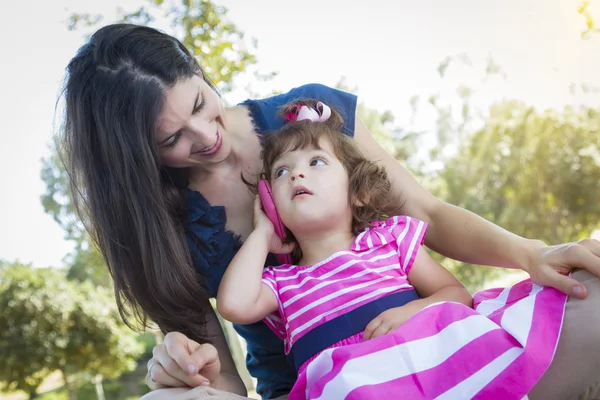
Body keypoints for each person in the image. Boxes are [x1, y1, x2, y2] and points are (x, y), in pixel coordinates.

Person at [60, 23, 600, 400]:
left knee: (592, 291)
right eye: (172, 138)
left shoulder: (311, 119)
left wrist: (531, 253)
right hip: (323, 385)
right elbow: (219, 374)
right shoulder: (160, 227)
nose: (206, 137)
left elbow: (427, 214)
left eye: (201, 104)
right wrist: (182, 368)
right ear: (135, 158)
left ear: (201, 71)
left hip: (431, 349)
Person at [216, 100, 568, 400]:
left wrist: (415, 310)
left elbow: (456, 293)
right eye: (281, 171)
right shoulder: (282, 282)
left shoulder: (388, 240)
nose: (296, 175)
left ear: (358, 192)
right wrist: (262, 233)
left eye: (316, 162)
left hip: (436, 370)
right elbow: (234, 305)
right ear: (271, 205)